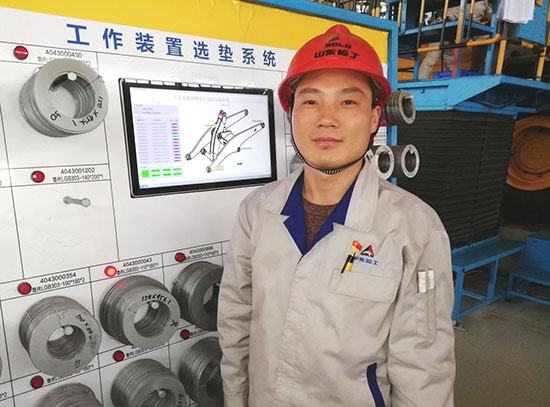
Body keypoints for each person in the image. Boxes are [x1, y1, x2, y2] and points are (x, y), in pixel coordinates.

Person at [218, 24, 455, 407]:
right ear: (291, 113)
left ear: (375, 117)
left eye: (347, 102)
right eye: (311, 101)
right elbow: (235, 324)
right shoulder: (257, 210)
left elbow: (424, 365)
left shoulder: (413, 227)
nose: (326, 118)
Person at [419, 0, 493, 79]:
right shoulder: (482, 4)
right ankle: (420, 80)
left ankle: (421, 79)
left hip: (449, 33)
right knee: (432, 60)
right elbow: (487, 18)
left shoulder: (483, 4)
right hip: (446, 31)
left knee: (443, 62)